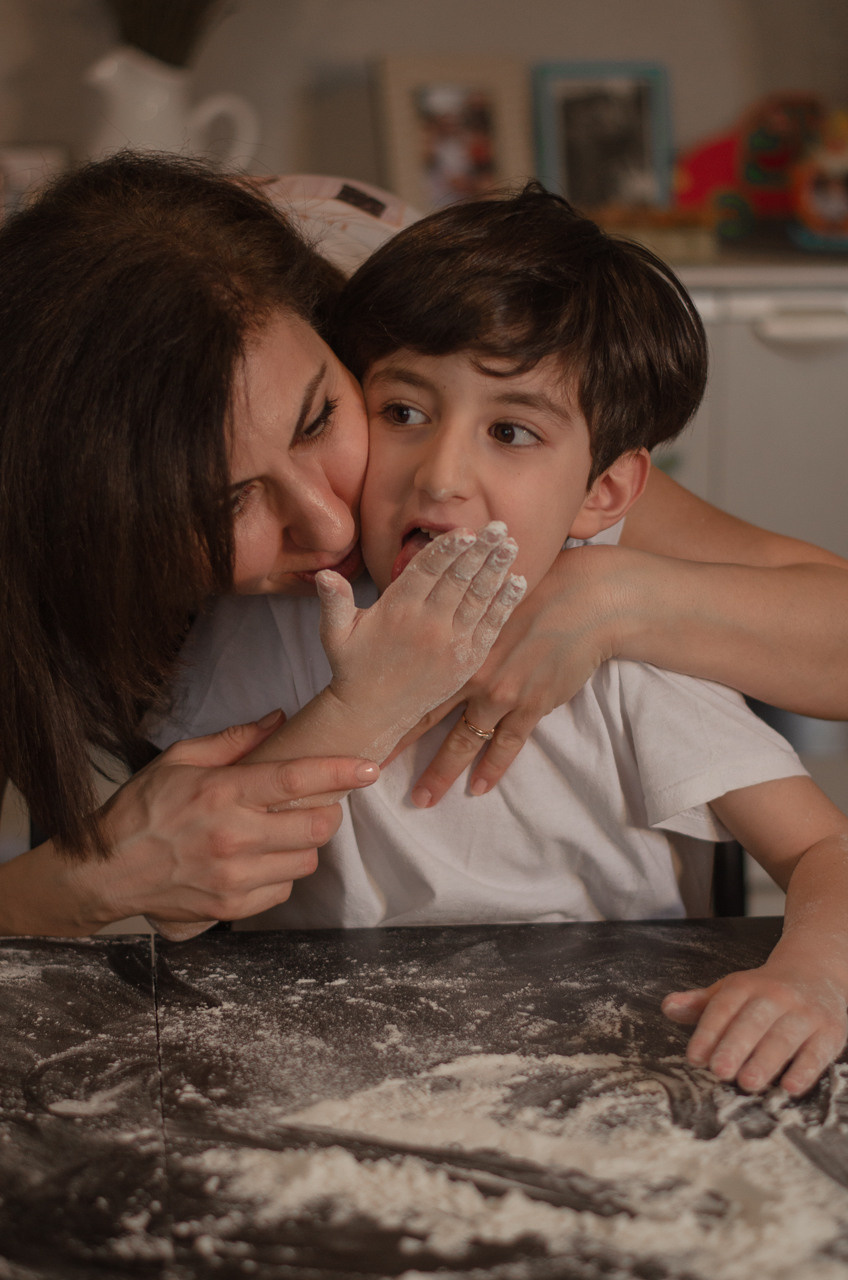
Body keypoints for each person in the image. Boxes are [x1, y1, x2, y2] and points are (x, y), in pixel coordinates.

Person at [1, 152, 847, 938]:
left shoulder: (444, 352)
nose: (331, 526)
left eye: (321, 417)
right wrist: (79, 886)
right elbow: (195, 896)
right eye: (225, 501)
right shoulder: (222, 642)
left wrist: (610, 598)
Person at [152, 185, 848, 1097]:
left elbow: (821, 852)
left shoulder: (624, 647)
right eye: (404, 412)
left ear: (604, 493)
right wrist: (370, 698)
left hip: (608, 1056)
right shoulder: (264, 621)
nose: (442, 475)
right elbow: (181, 896)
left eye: (511, 431)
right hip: (324, 1059)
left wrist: (817, 974)